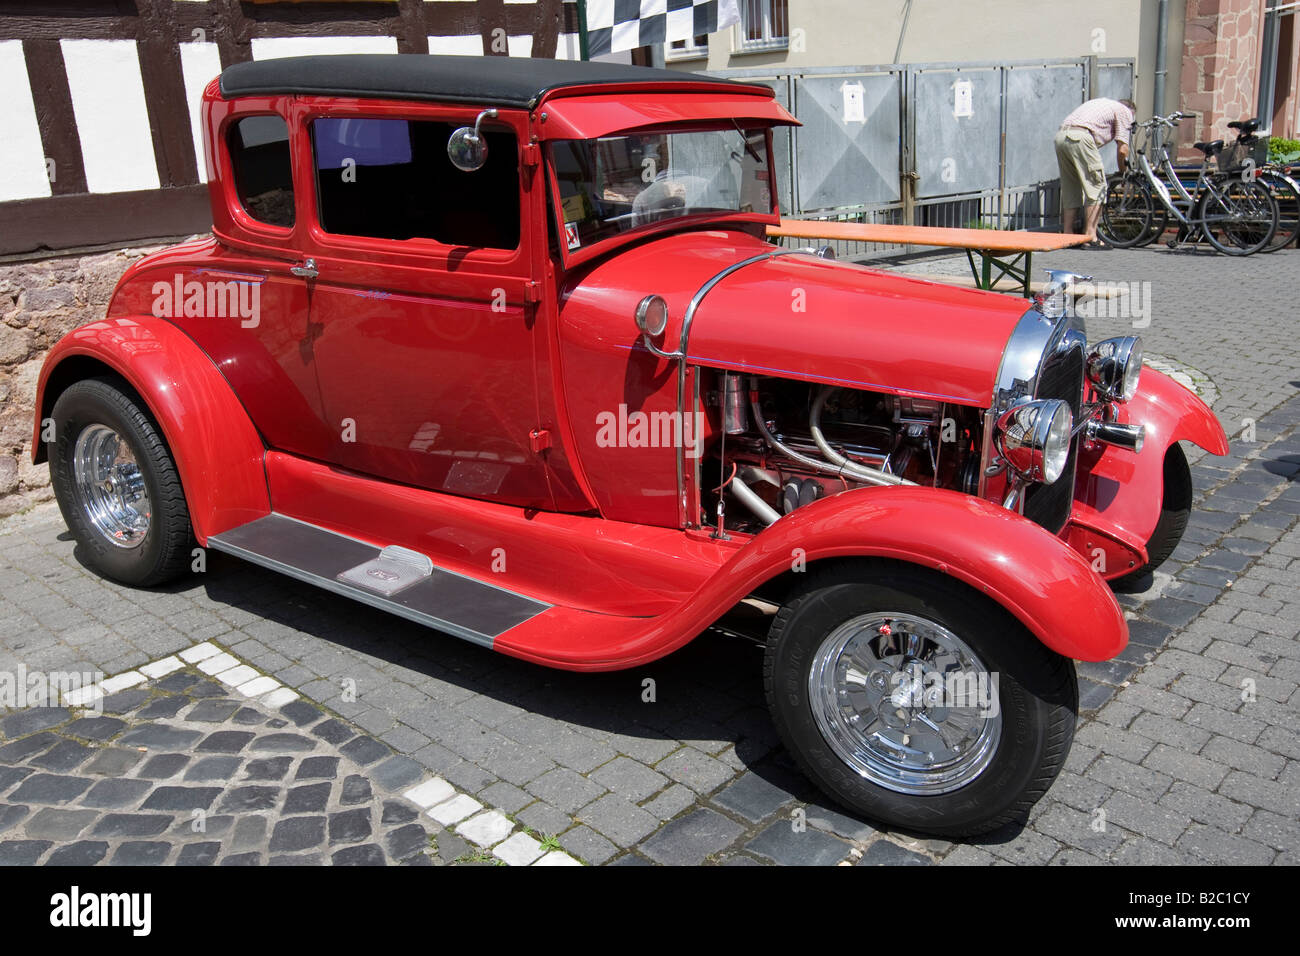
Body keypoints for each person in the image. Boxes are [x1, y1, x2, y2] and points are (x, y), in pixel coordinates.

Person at [1055, 97, 1135, 247]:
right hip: (1081, 137)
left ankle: (1067, 234)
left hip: (1061, 137)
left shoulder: (1103, 103)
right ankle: (1090, 236)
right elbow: (1123, 150)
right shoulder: (1125, 112)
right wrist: (1123, 173)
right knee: (1097, 186)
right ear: (1131, 112)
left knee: (1071, 187)